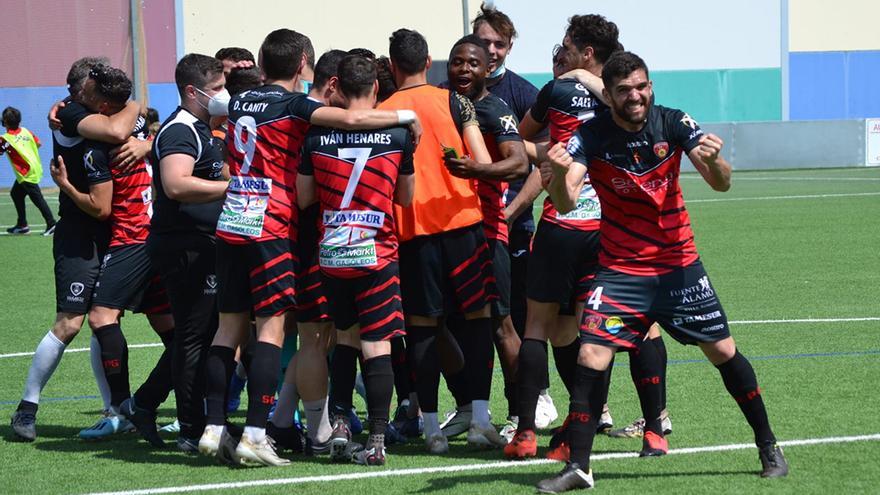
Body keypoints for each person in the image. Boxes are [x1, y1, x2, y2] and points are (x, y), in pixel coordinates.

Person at [535, 51, 789, 492]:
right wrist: (555, 175)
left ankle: (768, 444)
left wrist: (713, 160)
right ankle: (579, 466)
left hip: (679, 268)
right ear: (609, 96)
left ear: (650, 85)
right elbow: (568, 200)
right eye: (625, 91)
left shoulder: (674, 122)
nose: (636, 96)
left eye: (642, 86)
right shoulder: (590, 136)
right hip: (620, 272)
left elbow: (721, 183)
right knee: (590, 356)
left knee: (723, 353)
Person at [198, 29, 421, 467]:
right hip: (273, 224)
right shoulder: (298, 106)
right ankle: (258, 433)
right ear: (303, 63)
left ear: (263, 62)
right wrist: (403, 116)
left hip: (231, 222)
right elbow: (354, 122)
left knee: (228, 330)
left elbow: (207, 105)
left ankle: (214, 426)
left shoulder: (239, 100)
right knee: (274, 331)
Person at [379, 28, 505, 454]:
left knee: (422, 330)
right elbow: (483, 162)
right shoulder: (456, 100)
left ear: (393, 65)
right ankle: (480, 419)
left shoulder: (383, 110)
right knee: (477, 319)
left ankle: (432, 429)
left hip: (411, 231)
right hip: (463, 223)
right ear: (429, 60)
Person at [505, 14, 621, 461]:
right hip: (606, 230)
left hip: (560, 224)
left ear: (586, 52)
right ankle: (584, 425)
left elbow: (521, 136)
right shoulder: (625, 98)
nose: (562, 51)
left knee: (537, 327)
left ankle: (527, 433)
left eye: (568, 45)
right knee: (589, 333)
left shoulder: (558, 90)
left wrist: (548, 150)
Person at [9, 56, 143, 442]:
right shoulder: (69, 114)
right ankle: (27, 407)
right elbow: (120, 130)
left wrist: (146, 142)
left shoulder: (100, 109)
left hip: (117, 232)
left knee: (106, 321)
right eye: (90, 88)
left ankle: (115, 411)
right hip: (80, 234)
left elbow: (145, 131)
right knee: (70, 322)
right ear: (81, 91)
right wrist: (134, 105)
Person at [298, 54, 416, 466]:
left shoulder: (316, 135)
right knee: (377, 343)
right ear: (377, 89)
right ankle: (378, 436)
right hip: (377, 251)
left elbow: (304, 197)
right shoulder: (400, 135)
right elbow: (405, 197)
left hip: (333, 252)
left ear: (338, 88)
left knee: (344, 338)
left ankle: (341, 424)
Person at [48, 65, 176, 442]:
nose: (76, 104)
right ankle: (183, 406)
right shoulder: (149, 128)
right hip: (158, 233)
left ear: (103, 105)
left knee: (101, 317)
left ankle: (124, 407)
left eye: (85, 99)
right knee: (173, 329)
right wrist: (148, 138)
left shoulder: (99, 145)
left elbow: (101, 208)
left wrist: (65, 186)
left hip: (132, 237)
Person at [471, 3, 559, 432]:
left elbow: (544, 168)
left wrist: (507, 214)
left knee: (517, 321)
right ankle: (473, 409)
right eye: (483, 40)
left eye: (498, 44)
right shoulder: (452, 92)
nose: (490, 50)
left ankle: (533, 398)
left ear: (509, 48)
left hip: (511, 227)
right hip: (462, 228)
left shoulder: (525, 95)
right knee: (470, 321)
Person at [139, 53, 230, 453]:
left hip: (201, 242)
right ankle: (191, 428)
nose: (223, 96)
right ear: (193, 92)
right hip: (185, 245)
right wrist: (235, 189)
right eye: (216, 90)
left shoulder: (203, 128)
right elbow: (176, 184)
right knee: (194, 338)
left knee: (199, 335)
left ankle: (145, 403)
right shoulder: (179, 129)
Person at [440, 35, 529, 443]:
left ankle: (519, 413)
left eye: (472, 64)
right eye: (457, 62)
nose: (463, 70)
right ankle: (466, 408)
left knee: (499, 327)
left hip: (485, 231)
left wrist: (475, 170)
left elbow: (517, 163)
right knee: (438, 324)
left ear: (487, 69)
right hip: (439, 230)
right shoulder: (438, 105)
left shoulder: (495, 108)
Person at [1, 107, 57, 235]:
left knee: (38, 199)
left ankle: (52, 224)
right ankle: (22, 225)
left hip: (26, 173)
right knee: (16, 194)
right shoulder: (26, 131)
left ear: (5, 122)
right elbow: (38, 143)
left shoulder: (5, 139)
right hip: (33, 168)